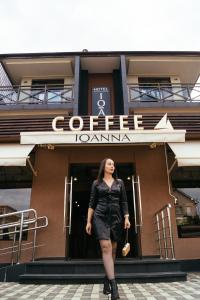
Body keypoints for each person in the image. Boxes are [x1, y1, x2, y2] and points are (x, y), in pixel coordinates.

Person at [86, 158, 131, 300]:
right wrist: (88, 221)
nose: (112, 166)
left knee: (113, 249)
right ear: (103, 167)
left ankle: (106, 279)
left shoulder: (120, 183)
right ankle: (114, 286)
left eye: (113, 164)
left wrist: (126, 217)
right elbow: (92, 203)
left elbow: (124, 201)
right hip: (100, 217)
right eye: (109, 164)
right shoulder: (96, 183)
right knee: (106, 247)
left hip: (116, 218)